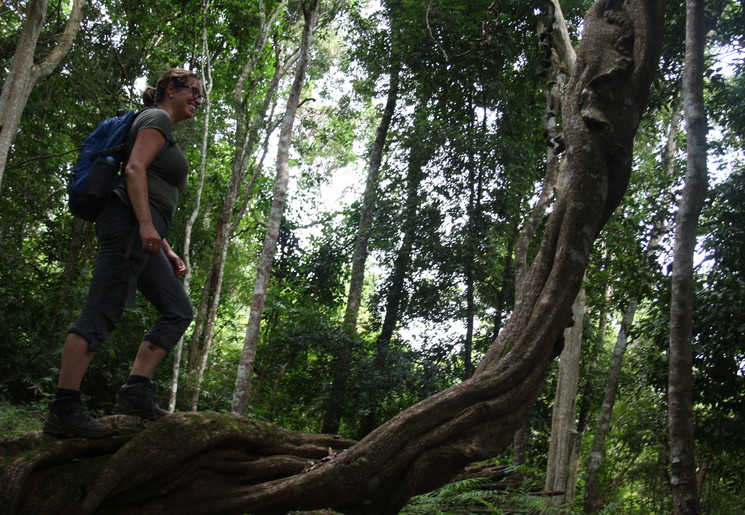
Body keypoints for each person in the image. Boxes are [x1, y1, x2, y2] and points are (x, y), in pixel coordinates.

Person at [43, 69, 202, 438]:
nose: (197, 99)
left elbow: (150, 188)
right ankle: (63, 409)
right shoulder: (156, 117)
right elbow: (133, 170)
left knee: (178, 309)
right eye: (193, 91)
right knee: (101, 310)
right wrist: (147, 227)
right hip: (129, 226)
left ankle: (134, 392)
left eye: (200, 95)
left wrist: (165, 246)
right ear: (170, 90)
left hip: (144, 233)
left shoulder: (163, 125)